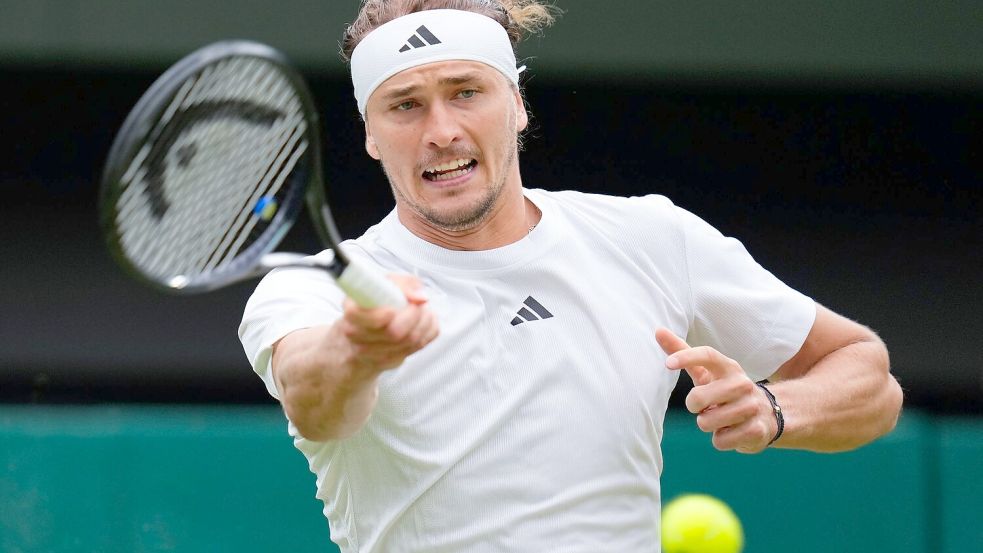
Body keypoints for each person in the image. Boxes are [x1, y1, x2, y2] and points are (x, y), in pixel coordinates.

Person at [238, 1, 904, 551]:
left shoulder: (651, 237)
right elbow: (316, 403)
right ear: (371, 134)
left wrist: (775, 407)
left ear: (517, 104)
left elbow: (866, 375)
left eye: (466, 92)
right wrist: (360, 348)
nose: (440, 130)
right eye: (405, 105)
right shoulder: (310, 292)